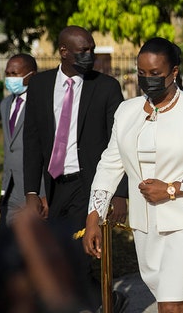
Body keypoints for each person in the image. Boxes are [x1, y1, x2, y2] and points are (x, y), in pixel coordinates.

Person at [83, 37, 183, 313]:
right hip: (144, 226)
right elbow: (109, 165)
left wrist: (171, 189)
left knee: (170, 304)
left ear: (174, 72)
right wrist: (94, 217)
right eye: (142, 73)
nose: (147, 79)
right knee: (170, 301)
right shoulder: (126, 111)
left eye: (155, 74)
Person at [23, 25, 128, 311]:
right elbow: (31, 140)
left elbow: (120, 144)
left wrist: (120, 192)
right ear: (64, 52)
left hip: (90, 183)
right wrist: (32, 191)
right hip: (55, 184)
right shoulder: (40, 86)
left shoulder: (106, 87)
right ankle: (108, 299)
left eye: (92, 49)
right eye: (83, 51)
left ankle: (101, 301)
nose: (90, 55)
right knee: (60, 252)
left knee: (76, 252)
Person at [0, 54, 46, 230]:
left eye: (15, 74)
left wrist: (45, 194)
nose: (10, 78)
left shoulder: (42, 105)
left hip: (35, 191)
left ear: (31, 75)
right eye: (7, 73)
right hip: (11, 190)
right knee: (7, 246)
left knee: (35, 246)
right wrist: (4, 191)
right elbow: (8, 149)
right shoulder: (5, 104)